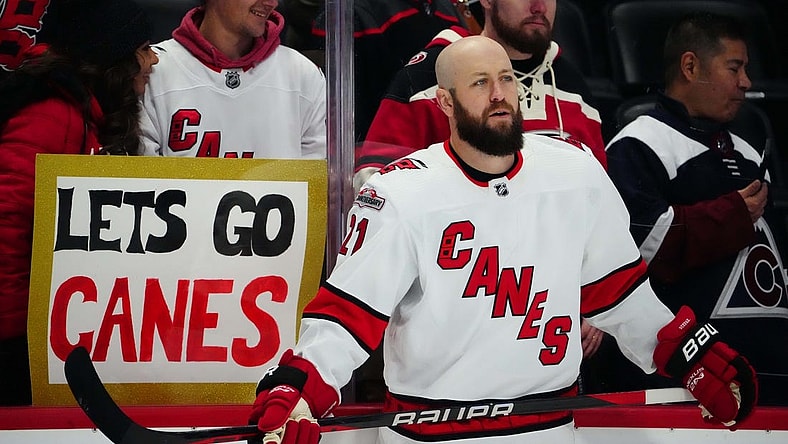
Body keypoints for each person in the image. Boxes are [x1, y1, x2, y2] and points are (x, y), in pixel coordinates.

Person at [247, 36, 757, 444]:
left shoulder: (574, 171)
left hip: (550, 429)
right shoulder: (400, 192)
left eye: (506, 79)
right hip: (434, 435)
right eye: (478, 83)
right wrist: (299, 387)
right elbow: (347, 317)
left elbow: (617, 293)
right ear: (444, 102)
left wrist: (685, 353)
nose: (498, 94)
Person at [604, 11, 788, 405]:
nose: (746, 83)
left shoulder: (750, 153)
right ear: (690, 66)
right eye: (734, 67)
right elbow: (641, 251)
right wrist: (730, 216)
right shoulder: (637, 144)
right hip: (685, 380)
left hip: (767, 374)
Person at [0, 0, 157, 406]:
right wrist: (19, 344)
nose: (153, 59)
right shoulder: (53, 114)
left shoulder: (82, 111)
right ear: (113, 58)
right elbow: (6, 230)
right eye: (143, 48)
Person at [355, 0, 606, 191]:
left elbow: (598, 192)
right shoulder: (433, 72)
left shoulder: (571, 85)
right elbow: (374, 184)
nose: (539, 7)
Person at [139, 0, 326, 159]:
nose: (272, 2)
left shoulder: (303, 75)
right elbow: (142, 183)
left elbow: (316, 189)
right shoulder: (151, 72)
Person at [281, 0, 473, 141]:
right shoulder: (351, 13)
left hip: (442, 156)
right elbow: (338, 121)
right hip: (381, 161)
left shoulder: (447, 9)